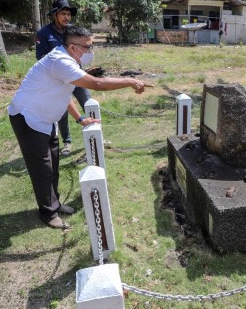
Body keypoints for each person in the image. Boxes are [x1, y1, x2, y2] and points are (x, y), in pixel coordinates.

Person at [8, 25, 153, 229]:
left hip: (46, 120)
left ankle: (54, 204)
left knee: (53, 166)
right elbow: (97, 84)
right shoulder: (60, 61)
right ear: (73, 47)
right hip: (28, 118)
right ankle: (48, 214)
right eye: (87, 47)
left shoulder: (69, 62)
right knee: (42, 169)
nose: (90, 52)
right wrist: (129, 81)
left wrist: (80, 119)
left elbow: (65, 95)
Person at [36, 0, 89, 157]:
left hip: (76, 75)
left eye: (68, 14)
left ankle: (94, 135)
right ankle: (67, 141)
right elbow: (41, 57)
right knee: (63, 111)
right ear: (55, 15)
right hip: (58, 81)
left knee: (89, 103)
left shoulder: (73, 31)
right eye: (63, 14)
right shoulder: (44, 33)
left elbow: (83, 50)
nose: (67, 17)